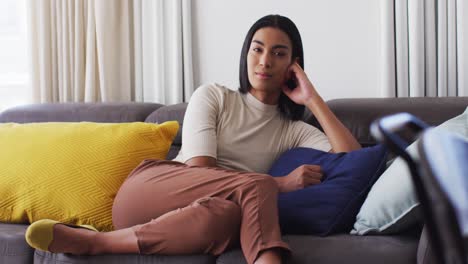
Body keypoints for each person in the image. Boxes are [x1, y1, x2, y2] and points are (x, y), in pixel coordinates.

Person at [25, 14, 361, 264]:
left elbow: (352, 158)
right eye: (257, 49)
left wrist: (313, 99)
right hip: (152, 190)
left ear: (293, 65)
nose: (264, 61)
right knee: (257, 187)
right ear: (245, 54)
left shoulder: (292, 129)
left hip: (206, 216)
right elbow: (201, 169)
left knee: (229, 215)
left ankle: (99, 243)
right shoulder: (214, 96)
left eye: (278, 53)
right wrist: (278, 184)